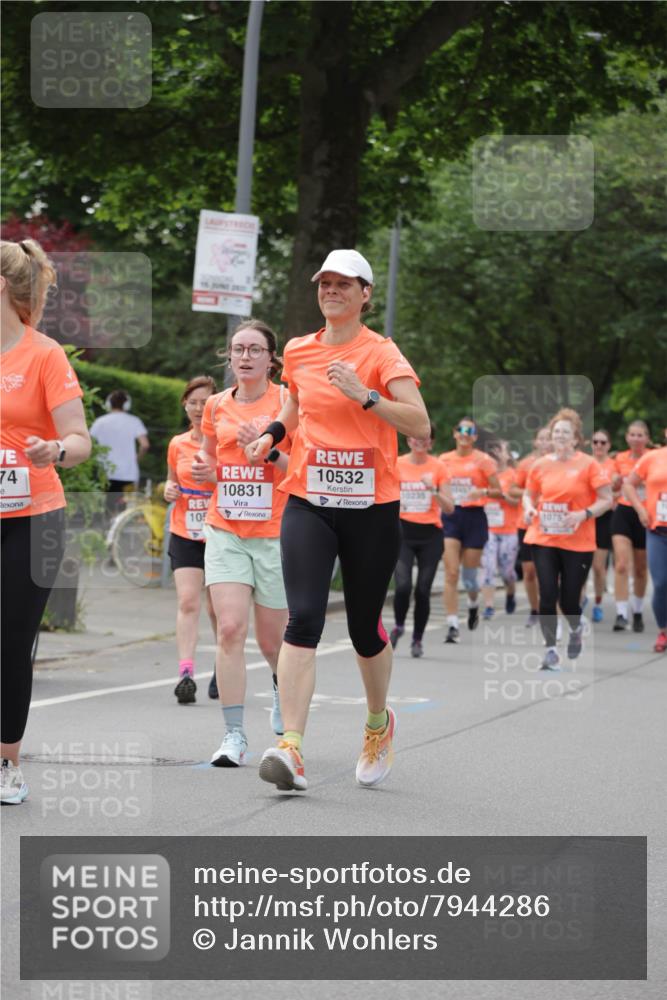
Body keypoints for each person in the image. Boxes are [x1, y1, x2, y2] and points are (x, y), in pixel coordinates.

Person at [246, 249, 430, 793]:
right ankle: (292, 748)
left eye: (343, 284)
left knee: (363, 628)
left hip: (371, 508)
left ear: (365, 293)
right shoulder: (299, 351)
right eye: (324, 283)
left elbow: (419, 420)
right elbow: (295, 408)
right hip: (309, 500)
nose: (331, 291)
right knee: (302, 618)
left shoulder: (382, 352)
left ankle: (377, 723)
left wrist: (365, 395)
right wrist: (272, 435)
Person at [1, 238, 91, 804]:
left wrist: (54, 450)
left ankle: (7, 762)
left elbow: (79, 440)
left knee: (9, 644)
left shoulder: (43, 355)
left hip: (33, 517)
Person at [191, 319, 289, 767]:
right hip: (226, 527)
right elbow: (211, 460)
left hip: (276, 533)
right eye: (238, 349)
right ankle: (234, 736)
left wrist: (266, 447)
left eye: (254, 349)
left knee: (274, 644)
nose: (245, 356)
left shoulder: (287, 402)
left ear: (272, 358)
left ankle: (279, 686)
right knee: (229, 628)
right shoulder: (214, 406)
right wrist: (204, 473)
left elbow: (297, 469)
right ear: (228, 357)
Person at [524, 409, 612, 671]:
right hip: (544, 537)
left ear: (575, 439)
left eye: (566, 432)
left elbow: (607, 499)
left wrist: (583, 514)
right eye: (556, 432)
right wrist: (529, 509)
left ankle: (576, 627)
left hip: (578, 541)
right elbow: (528, 495)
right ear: (551, 437)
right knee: (548, 594)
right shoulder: (539, 465)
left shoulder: (588, 464)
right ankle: (550, 650)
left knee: (569, 600)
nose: (560, 436)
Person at [164, 375, 218, 705]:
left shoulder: (224, 443)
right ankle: (186, 672)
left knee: (218, 609)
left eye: (205, 402)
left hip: (218, 532)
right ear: (185, 404)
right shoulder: (177, 444)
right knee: (188, 602)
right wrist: (168, 489)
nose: (199, 408)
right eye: (193, 402)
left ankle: (222, 666)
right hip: (184, 531)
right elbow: (172, 482)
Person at [389, 424, 453, 657]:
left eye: (424, 439)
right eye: (415, 438)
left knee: (423, 589)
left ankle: (417, 639)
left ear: (431, 443)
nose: (419, 442)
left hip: (430, 535)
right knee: (403, 585)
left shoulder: (439, 467)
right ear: (408, 441)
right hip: (402, 532)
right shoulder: (397, 463)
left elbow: (450, 507)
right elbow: (386, 494)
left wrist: (433, 490)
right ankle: (398, 626)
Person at [438, 418, 501, 643]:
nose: (464, 434)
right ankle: (453, 624)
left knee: (469, 578)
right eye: (461, 430)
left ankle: (474, 603)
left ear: (474, 437)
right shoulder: (444, 460)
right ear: (455, 433)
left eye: (470, 431)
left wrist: (482, 491)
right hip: (451, 516)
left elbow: (498, 491)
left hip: (475, 518)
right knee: (451, 572)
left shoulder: (483, 461)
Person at [624, 442, 667, 653]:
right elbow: (629, 484)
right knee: (660, 583)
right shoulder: (652, 457)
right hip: (657, 531)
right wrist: (640, 509)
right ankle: (664, 631)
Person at [610, 420, 650, 632]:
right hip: (623, 512)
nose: (635, 438)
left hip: (645, 514)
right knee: (622, 564)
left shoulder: (653, 458)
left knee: (641, 569)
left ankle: (637, 611)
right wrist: (616, 482)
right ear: (627, 437)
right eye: (632, 434)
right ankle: (621, 613)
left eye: (640, 435)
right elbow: (614, 488)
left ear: (647, 438)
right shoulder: (619, 458)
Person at [512, 427, 553, 627]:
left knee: (549, 570)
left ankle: (549, 608)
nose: (546, 442)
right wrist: (531, 493)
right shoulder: (526, 463)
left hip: (551, 524)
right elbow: (512, 488)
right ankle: (535, 609)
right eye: (542, 439)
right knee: (529, 571)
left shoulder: (559, 464)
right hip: (526, 522)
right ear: (535, 442)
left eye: (549, 439)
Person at [90, 389, 149, 516]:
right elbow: (144, 445)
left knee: (107, 507)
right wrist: (136, 460)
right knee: (125, 510)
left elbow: (89, 444)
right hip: (128, 473)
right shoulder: (134, 421)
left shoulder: (100, 422)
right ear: (127, 404)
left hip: (105, 472)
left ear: (108, 404)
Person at [480, 440, 520, 619]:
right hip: (488, 528)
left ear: (507, 455)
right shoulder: (485, 475)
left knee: (506, 572)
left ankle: (510, 592)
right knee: (488, 567)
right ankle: (489, 606)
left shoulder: (514, 476)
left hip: (509, 530)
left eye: (500, 450)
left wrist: (501, 494)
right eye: (493, 451)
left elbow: (516, 502)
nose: (496, 454)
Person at [588, 428, 617, 622]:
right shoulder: (584, 463)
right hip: (584, 517)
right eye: (595, 442)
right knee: (580, 566)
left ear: (609, 445)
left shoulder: (614, 466)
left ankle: (597, 603)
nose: (599, 445)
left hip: (604, 518)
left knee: (598, 567)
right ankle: (579, 600)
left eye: (603, 442)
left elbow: (620, 492)